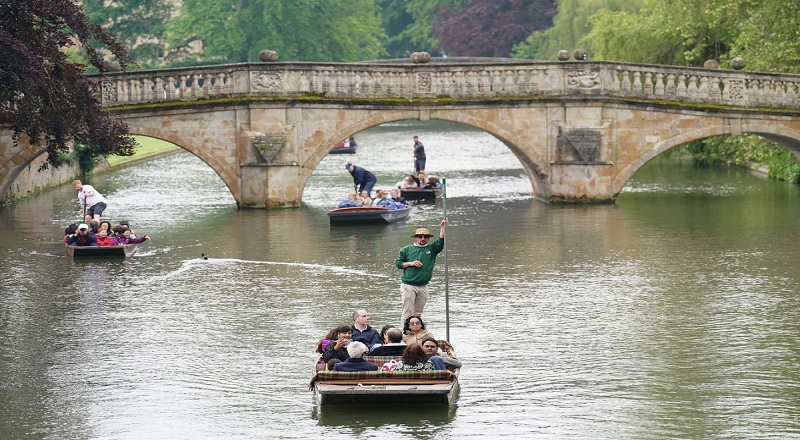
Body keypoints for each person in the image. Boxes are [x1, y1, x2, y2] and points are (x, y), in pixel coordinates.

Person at [395, 219, 448, 324]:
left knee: (418, 313)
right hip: (408, 285)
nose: (423, 239)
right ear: (416, 238)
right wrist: (411, 263)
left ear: (428, 238)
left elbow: (441, 240)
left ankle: (416, 331)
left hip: (423, 285)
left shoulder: (432, 249)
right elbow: (399, 264)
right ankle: (405, 333)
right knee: (407, 312)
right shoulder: (406, 249)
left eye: (426, 237)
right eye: (420, 236)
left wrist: (442, 227)